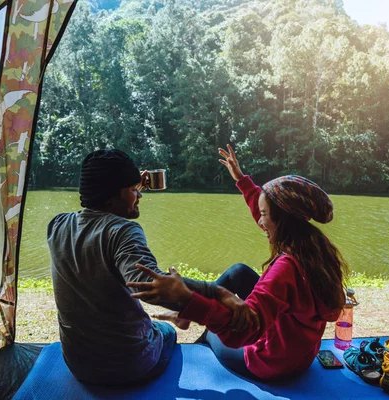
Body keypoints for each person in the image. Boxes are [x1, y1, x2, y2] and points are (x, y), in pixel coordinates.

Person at [129, 144, 349, 380]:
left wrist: (189, 301)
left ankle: (193, 355)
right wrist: (241, 179)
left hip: (271, 362)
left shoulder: (286, 268)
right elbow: (263, 209)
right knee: (239, 273)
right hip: (300, 354)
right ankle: (184, 317)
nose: (260, 222)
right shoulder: (315, 246)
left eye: (264, 216)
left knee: (214, 333)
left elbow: (242, 333)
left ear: (283, 219)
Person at [47, 149, 257, 386]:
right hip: (129, 365)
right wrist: (218, 292)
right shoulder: (123, 231)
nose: (140, 196)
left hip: (78, 365)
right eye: (134, 190)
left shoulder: (57, 225)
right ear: (109, 196)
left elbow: (102, 209)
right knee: (166, 332)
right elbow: (150, 285)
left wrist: (131, 186)